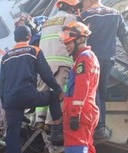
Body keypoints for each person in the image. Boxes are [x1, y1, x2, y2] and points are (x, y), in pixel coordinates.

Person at [0, 25, 63, 153]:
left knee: (12, 133)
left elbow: (3, 83)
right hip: (29, 96)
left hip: (11, 100)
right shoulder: (34, 50)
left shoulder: (5, 57)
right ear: (29, 36)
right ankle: (58, 132)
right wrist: (59, 90)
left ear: (15, 38)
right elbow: (46, 74)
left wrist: (4, 103)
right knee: (53, 96)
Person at [80, 0, 128, 142]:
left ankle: (97, 127)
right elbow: (125, 38)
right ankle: (101, 128)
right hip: (108, 60)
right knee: (101, 94)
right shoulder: (116, 14)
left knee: (92, 92)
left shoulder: (85, 15)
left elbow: (78, 38)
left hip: (90, 59)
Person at [34, 0, 79, 144]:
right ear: (72, 8)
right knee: (59, 94)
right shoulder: (71, 19)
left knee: (43, 92)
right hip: (61, 62)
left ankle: (39, 119)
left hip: (43, 63)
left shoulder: (47, 21)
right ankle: (52, 124)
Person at [61, 22, 101, 153]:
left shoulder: (83, 59)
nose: (66, 47)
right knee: (87, 149)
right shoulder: (89, 57)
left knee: (75, 150)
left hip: (79, 110)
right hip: (88, 109)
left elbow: (82, 86)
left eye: (69, 43)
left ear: (79, 40)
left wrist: (75, 113)